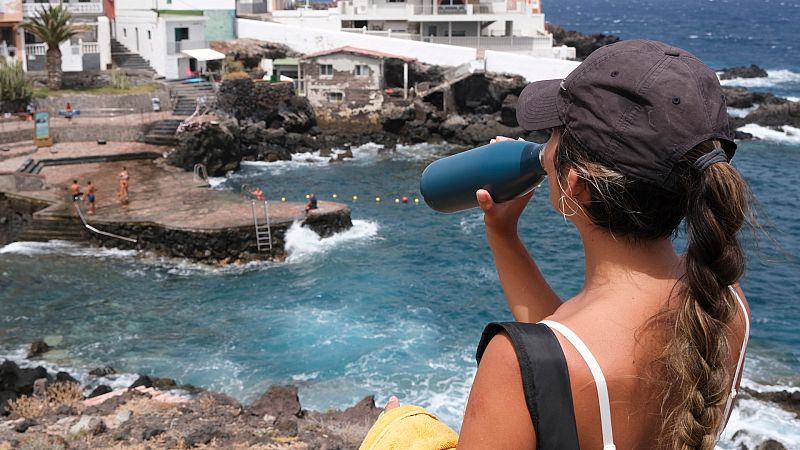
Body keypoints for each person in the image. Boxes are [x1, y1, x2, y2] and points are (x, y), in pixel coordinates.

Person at [372, 40, 753, 450]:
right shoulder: (724, 300)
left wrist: (399, 433)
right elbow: (564, 363)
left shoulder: (511, 365)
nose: (544, 149)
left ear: (575, 185)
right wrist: (503, 235)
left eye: (553, 135)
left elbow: (556, 369)